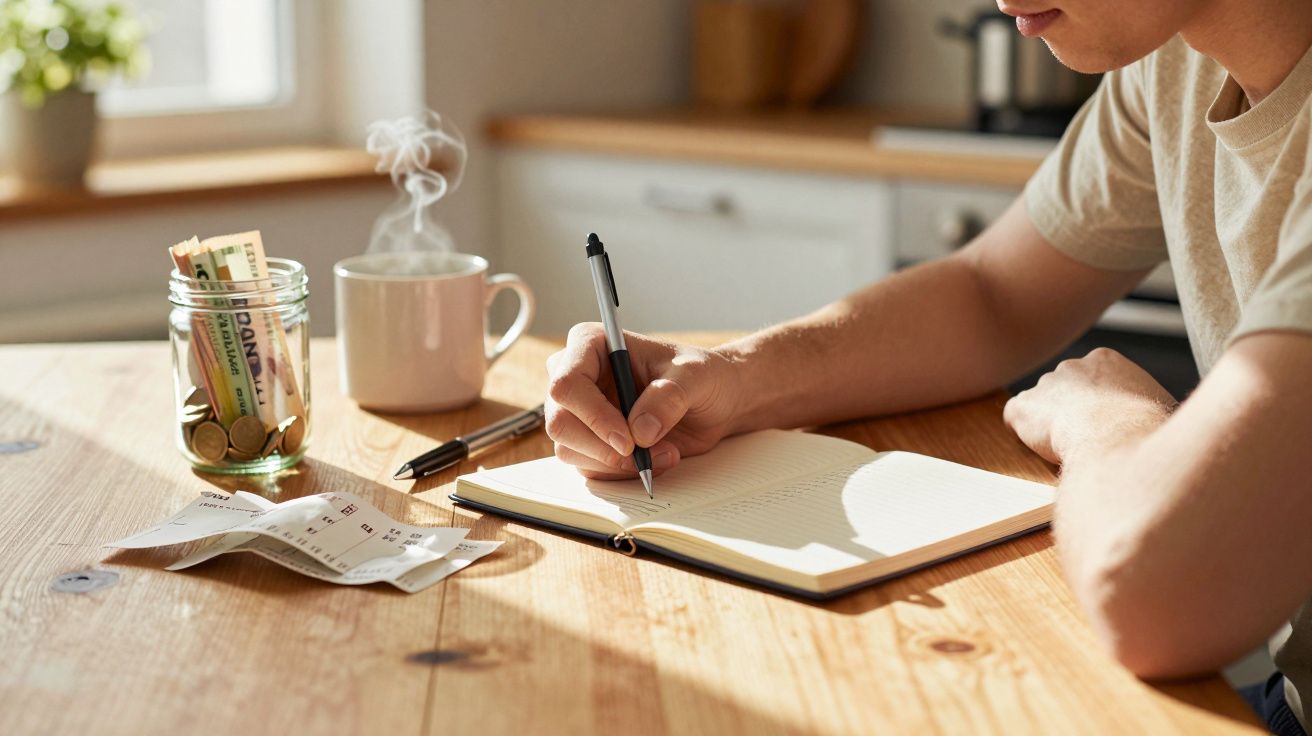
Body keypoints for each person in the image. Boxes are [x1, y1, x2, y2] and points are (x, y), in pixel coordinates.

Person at [544, 1, 1312, 733]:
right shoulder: (1176, 64)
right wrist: (727, 378)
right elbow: (992, 294)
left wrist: (1106, 419)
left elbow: (1153, 601)